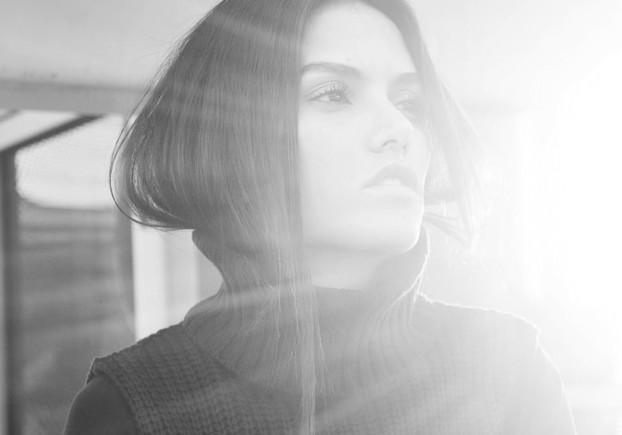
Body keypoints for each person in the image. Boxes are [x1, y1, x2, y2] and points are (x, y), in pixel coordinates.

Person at [64, 0, 577, 433]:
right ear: (235, 134)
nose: (398, 128)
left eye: (409, 102)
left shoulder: (513, 370)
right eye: (334, 93)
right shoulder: (128, 410)